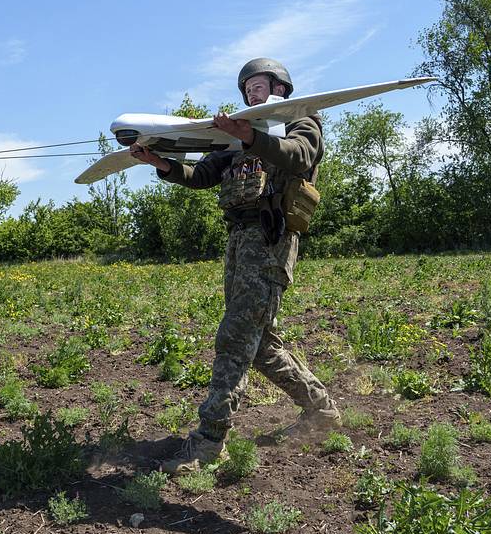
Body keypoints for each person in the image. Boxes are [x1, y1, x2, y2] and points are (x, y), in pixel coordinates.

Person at [129, 57, 341, 474]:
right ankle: (322, 410)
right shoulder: (237, 134)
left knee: (235, 335)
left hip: (270, 238)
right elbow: (203, 174)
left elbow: (298, 157)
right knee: (259, 345)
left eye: (259, 84)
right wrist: (163, 165)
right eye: (246, 87)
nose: (251, 92)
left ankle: (210, 440)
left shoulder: (301, 121)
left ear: (280, 86)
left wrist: (250, 139)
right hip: (239, 242)